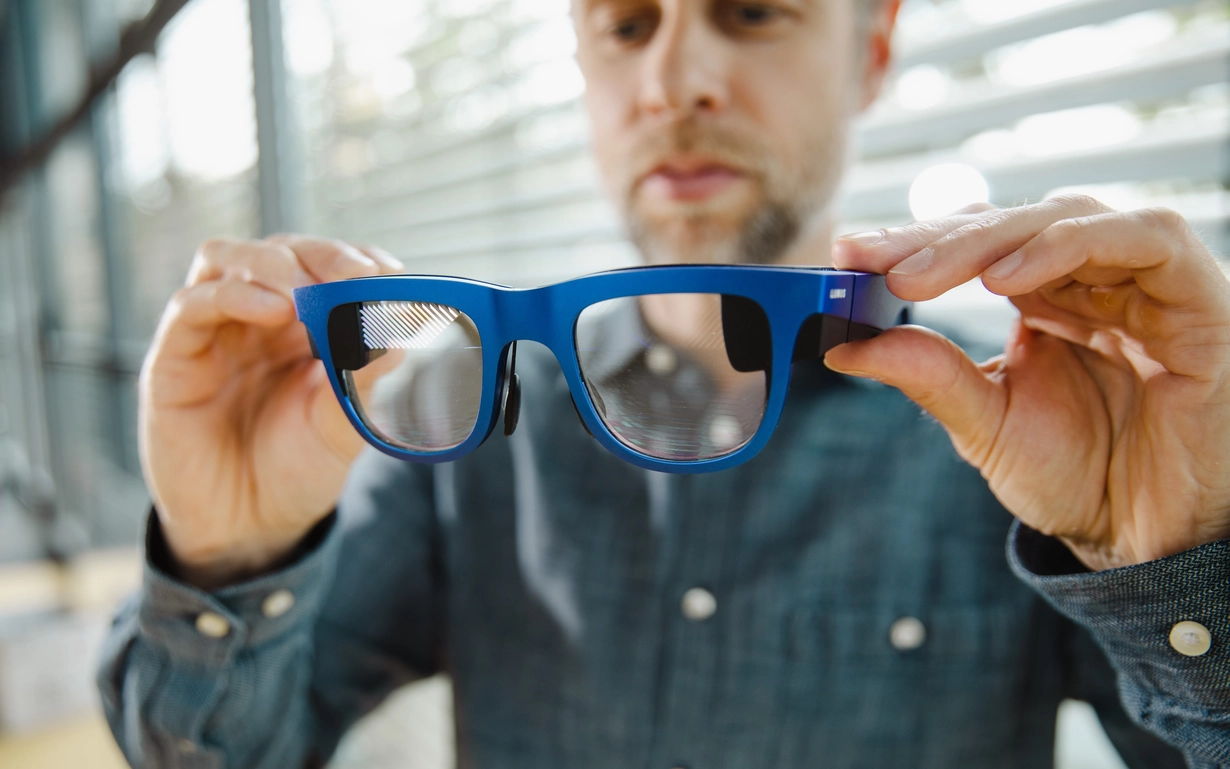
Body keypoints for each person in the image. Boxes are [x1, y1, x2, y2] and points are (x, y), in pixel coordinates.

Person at [98, 0, 1230, 766]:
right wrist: (223, 556)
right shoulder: (461, 418)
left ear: (872, 49)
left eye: (749, 11)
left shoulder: (1044, 422)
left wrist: (1186, 552)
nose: (674, 80)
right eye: (625, 23)